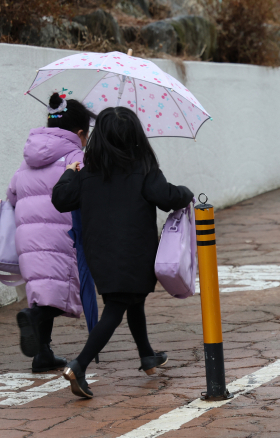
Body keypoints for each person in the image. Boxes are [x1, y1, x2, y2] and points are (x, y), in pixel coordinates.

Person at [51, 107, 194, 398]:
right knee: (117, 308)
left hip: (100, 253)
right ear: (136, 137)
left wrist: (68, 173)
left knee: (132, 300)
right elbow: (166, 197)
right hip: (135, 251)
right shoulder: (143, 168)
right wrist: (187, 192)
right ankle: (79, 365)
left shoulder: (88, 171)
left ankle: (147, 356)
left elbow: (61, 199)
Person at [6, 92, 95, 372]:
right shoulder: (77, 157)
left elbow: (11, 194)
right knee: (61, 291)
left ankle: (42, 354)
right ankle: (32, 316)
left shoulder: (28, 158)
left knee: (43, 288)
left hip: (28, 237)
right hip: (62, 234)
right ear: (80, 133)